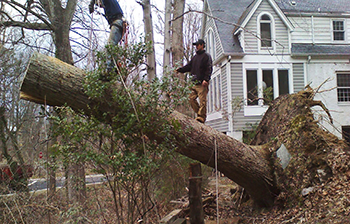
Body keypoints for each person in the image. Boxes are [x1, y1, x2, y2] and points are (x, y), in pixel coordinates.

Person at [176, 39, 213, 123]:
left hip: (202, 83)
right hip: (194, 82)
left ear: (202, 45)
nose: (196, 46)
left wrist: (206, 79)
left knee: (202, 100)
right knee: (191, 98)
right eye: (196, 45)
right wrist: (180, 70)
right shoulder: (195, 58)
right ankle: (199, 113)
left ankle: (201, 117)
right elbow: (188, 67)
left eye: (198, 45)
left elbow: (209, 68)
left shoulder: (206, 56)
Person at [89, 0, 126, 75]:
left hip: (117, 22)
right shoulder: (110, 4)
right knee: (113, 47)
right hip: (119, 23)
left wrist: (91, 3)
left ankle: (108, 71)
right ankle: (114, 68)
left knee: (110, 46)